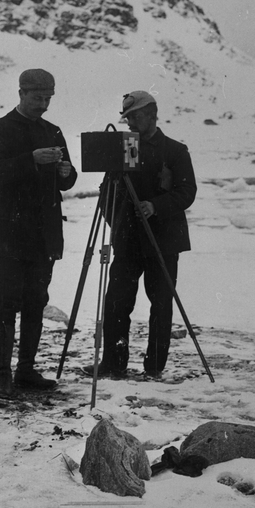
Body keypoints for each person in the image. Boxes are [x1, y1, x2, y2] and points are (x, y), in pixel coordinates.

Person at [87, 91, 197, 380]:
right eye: (127, 118)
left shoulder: (175, 151)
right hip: (129, 240)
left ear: (152, 113)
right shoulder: (124, 147)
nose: (131, 122)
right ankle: (113, 362)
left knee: (161, 302)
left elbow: (187, 192)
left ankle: (154, 366)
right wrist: (118, 224)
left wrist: (155, 206)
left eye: (135, 116)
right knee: (117, 300)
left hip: (164, 241)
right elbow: (109, 193)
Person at [0, 69, 77, 396]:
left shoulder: (53, 131)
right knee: (6, 300)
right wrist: (31, 160)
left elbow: (67, 178)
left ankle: (26, 370)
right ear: (21, 94)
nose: (44, 105)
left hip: (43, 232)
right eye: (38, 98)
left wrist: (66, 172)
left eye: (48, 98)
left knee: (37, 301)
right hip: (9, 231)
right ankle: (3, 373)